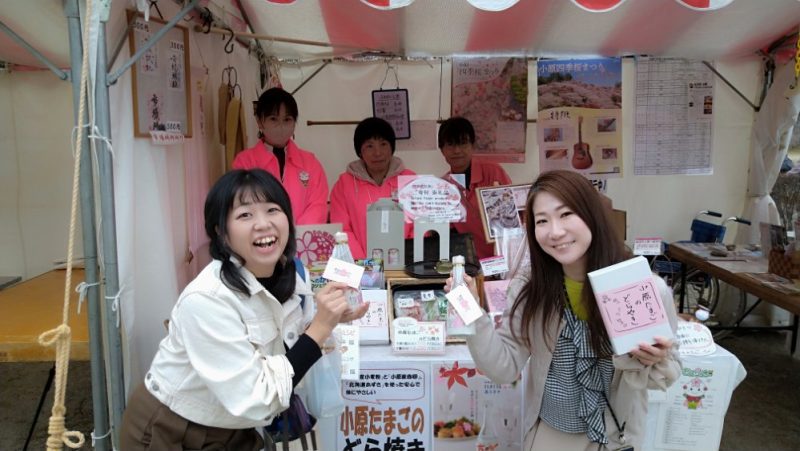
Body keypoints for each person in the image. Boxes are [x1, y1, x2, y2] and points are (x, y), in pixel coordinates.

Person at [120, 169, 367, 450]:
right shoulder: (207, 298)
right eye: (245, 215)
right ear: (220, 232)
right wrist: (320, 329)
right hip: (172, 428)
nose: (263, 224)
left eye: (272, 210)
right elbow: (257, 398)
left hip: (237, 425)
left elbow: (291, 345)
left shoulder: (294, 275)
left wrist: (330, 319)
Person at [447, 170, 681, 451]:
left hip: (615, 439)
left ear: (591, 214)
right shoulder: (530, 288)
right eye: (542, 221)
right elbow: (503, 368)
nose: (555, 231)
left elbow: (666, 374)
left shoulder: (641, 288)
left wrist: (653, 359)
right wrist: (471, 311)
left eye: (566, 214)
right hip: (549, 437)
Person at [232, 87, 329, 225]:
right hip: (262, 235)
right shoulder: (245, 162)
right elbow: (242, 206)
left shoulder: (310, 163)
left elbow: (318, 205)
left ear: (294, 123)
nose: (281, 126)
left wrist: (296, 233)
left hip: (302, 236)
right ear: (259, 122)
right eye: (273, 119)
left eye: (287, 119)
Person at [329, 117, 415, 259]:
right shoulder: (344, 184)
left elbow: (419, 225)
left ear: (392, 148)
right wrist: (364, 263)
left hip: (407, 264)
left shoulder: (410, 180)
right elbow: (342, 229)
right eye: (369, 146)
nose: (377, 153)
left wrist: (407, 257)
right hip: (360, 265)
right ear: (360, 151)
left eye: (383, 144)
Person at [439, 116, 512, 259]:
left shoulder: (493, 172)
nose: (457, 150)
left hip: (503, 256)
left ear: (473, 145)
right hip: (469, 262)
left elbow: (511, 220)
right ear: (442, 150)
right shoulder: (442, 187)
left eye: (463, 143)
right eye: (450, 144)